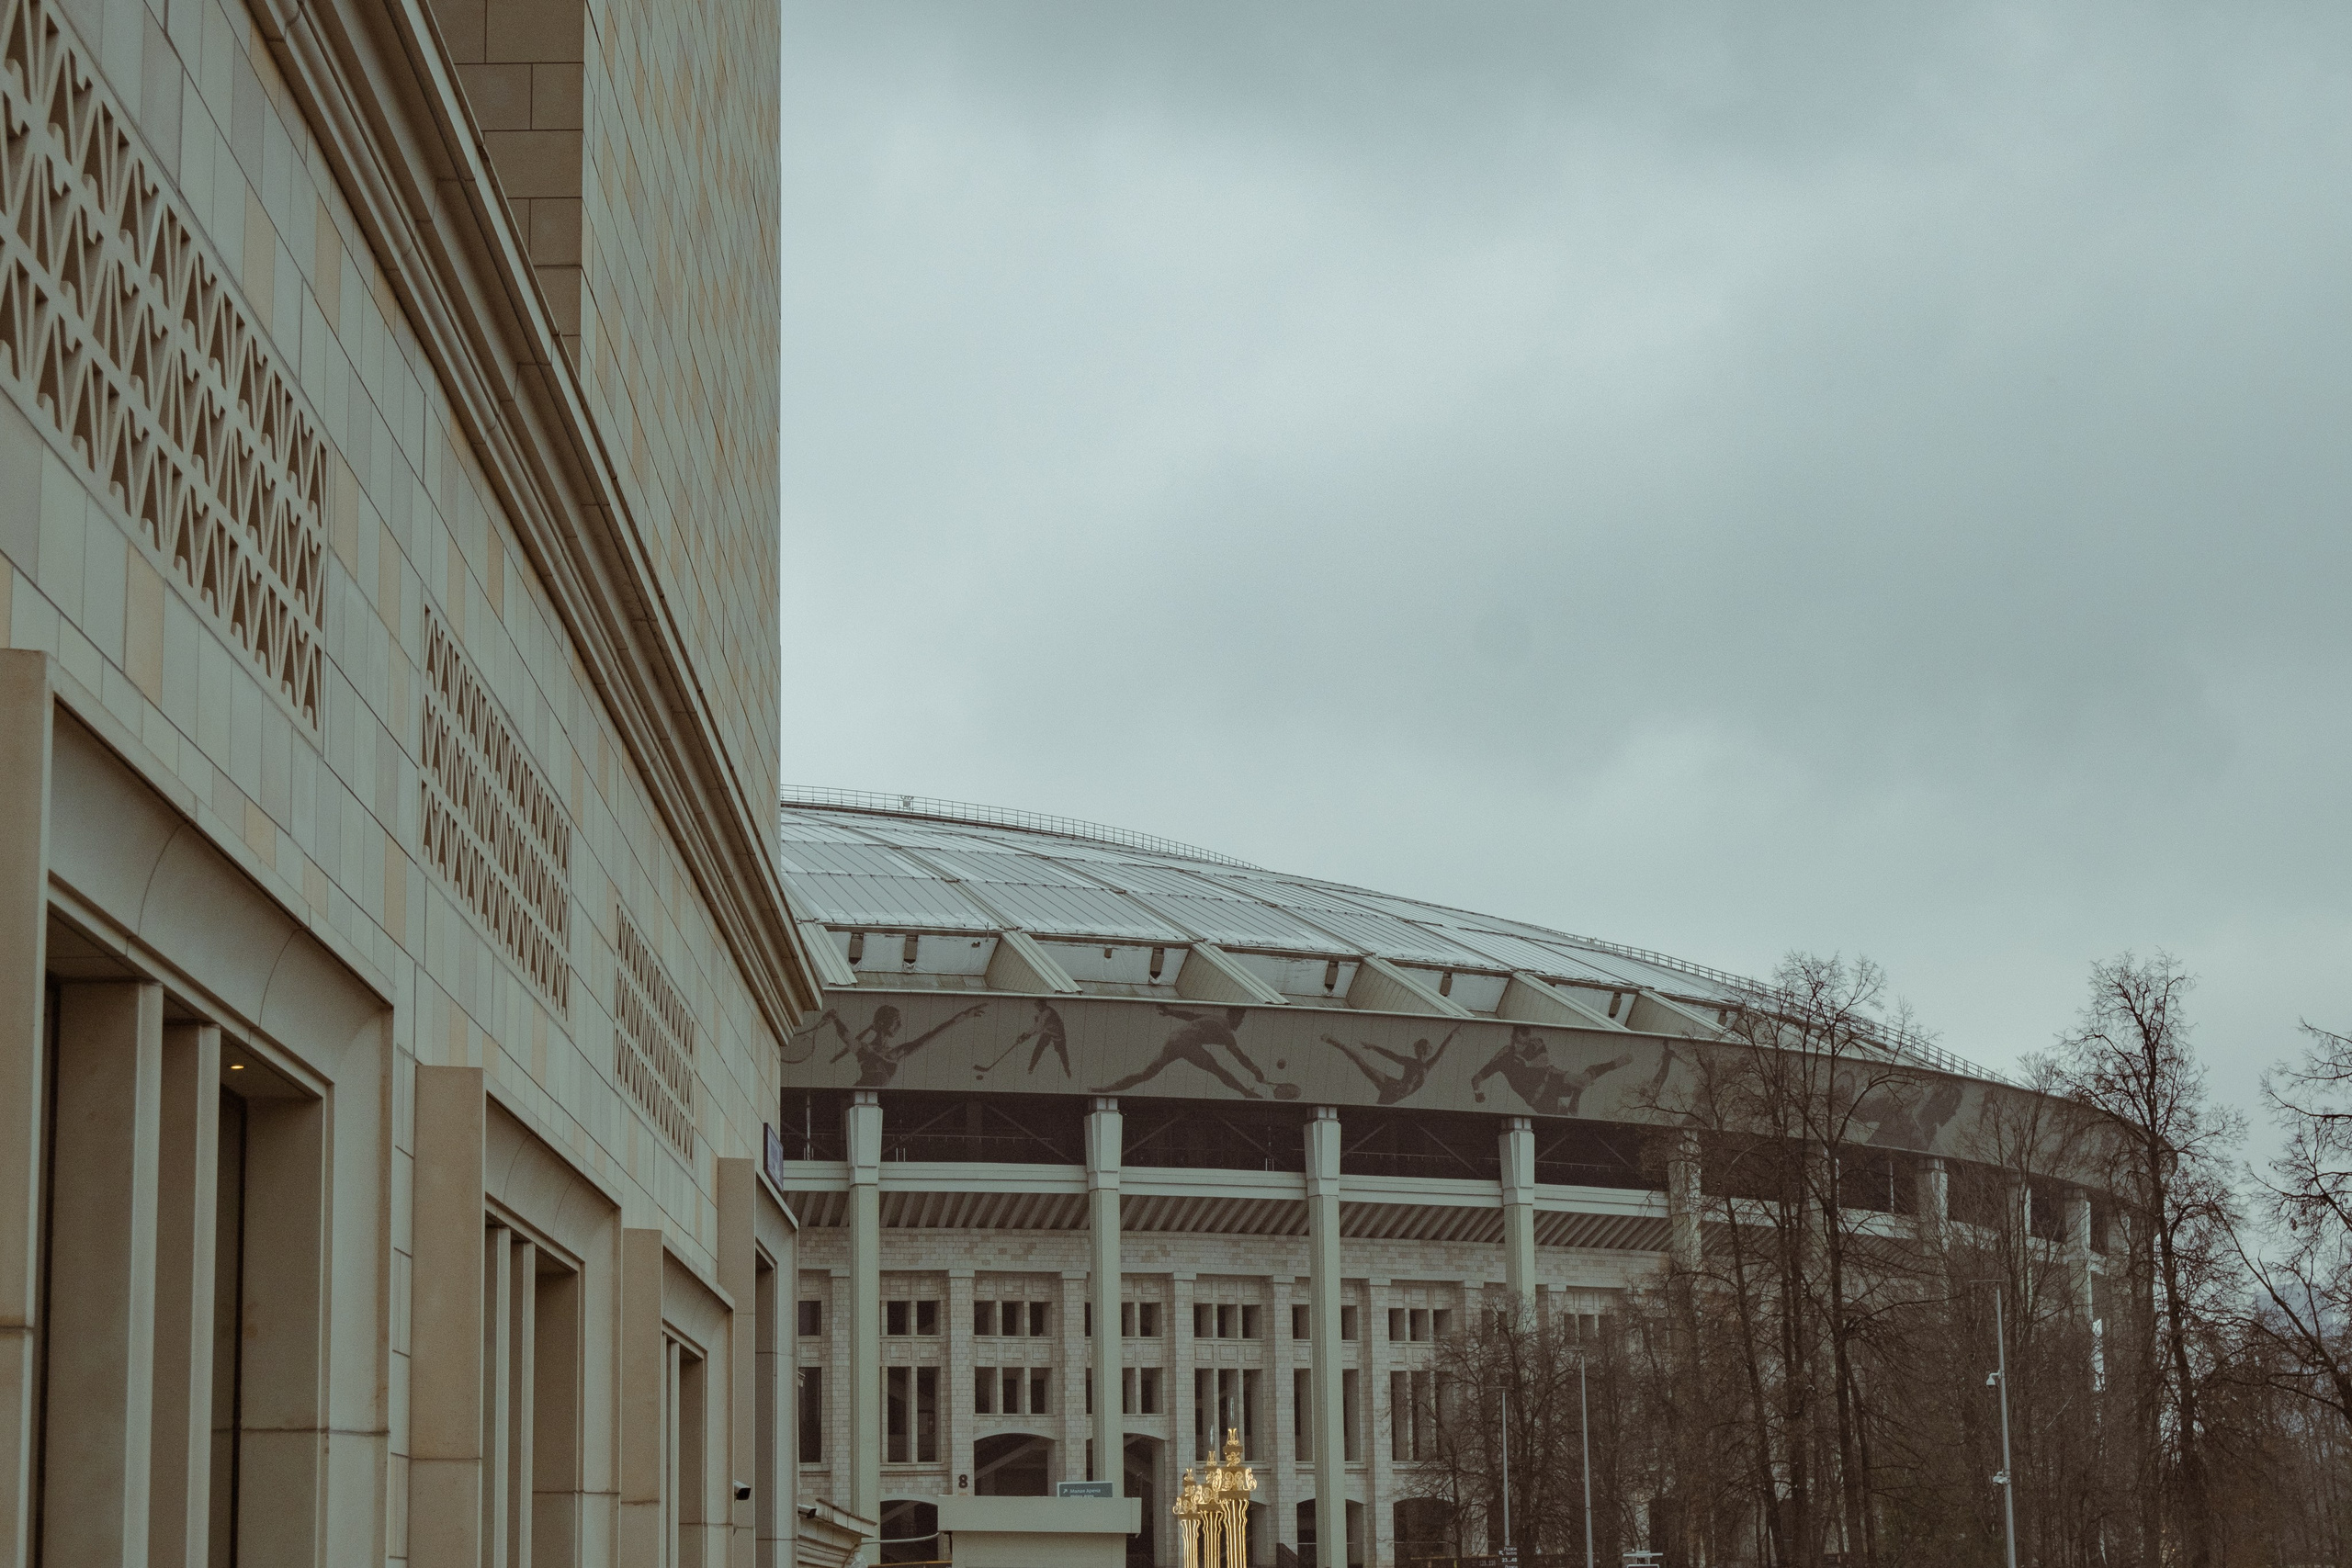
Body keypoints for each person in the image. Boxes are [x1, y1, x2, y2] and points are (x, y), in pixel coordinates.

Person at [1092, 1004, 1295, 1100]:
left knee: (1147, 1074)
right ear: (1232, 1016)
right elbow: (1239, 1056)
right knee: (1218, 1071)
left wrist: (1170, 1011)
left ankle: (1108, 1088)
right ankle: (1246, 1093)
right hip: (1188, 1044)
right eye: (1240, 1019)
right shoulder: (1225, 1031)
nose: (1240, 1023)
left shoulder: (1214, 1018)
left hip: (1174, 1039)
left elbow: (1190, 1015)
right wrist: (1255, 1069)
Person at [814, 1001, 989, 1089]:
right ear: (883, 1023)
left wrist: (964, 1015)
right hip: (859, 1095)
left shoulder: (897, 1052)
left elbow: (933, 1034)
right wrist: (835, 1020)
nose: (899, 1026)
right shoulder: (865, 1049)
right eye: (896, 1021)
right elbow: (847, 1036)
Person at [1469, 1025, 1633, 1115]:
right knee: (1564, 1119)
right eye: (1518, 1043)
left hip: (1550, 1079)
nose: (1521, 1047)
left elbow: (1544, 1060)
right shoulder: (1504, 1055)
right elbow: (1478, 1076)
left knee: (1582, 1080)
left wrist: (1527, 1063)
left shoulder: (1536, 1043)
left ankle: (1612, 1065)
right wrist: (1477, 1091)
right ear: (1513, 1039)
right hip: (1537, 1099)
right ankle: (1577, 1094)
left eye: (1524, 1043)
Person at [1322, 1026, 1458, 1105]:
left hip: (1395, 1092)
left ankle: (1338, 1044)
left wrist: (1451, 1036)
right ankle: (1336, 1042)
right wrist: (1374, 1047)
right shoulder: (1413, 1062)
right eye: (1429, 1046)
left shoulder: (1427, 1065)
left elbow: (1440, 1051)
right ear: (1423, 1049)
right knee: (1363, 1064)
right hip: (1394, 1087)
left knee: (1363, 1065)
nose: (1432, 1048)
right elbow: (1391, 1055)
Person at [976, 999, 1070, 1078]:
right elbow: (1039, 1029)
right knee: (1038, 1049)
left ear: (1042, 1005)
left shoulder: (1047, 1012)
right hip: (1047, 1032)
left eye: (1038, 1005)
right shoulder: (1041, 1014)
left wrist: (1025, 1035)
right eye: (1036, 1006)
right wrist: (1025, 1037)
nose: (1037, 1007)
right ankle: (1031, 1067)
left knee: (1062, 1052)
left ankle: (1067, 1070)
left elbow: (1038, 1027)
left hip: (1058, 1033)